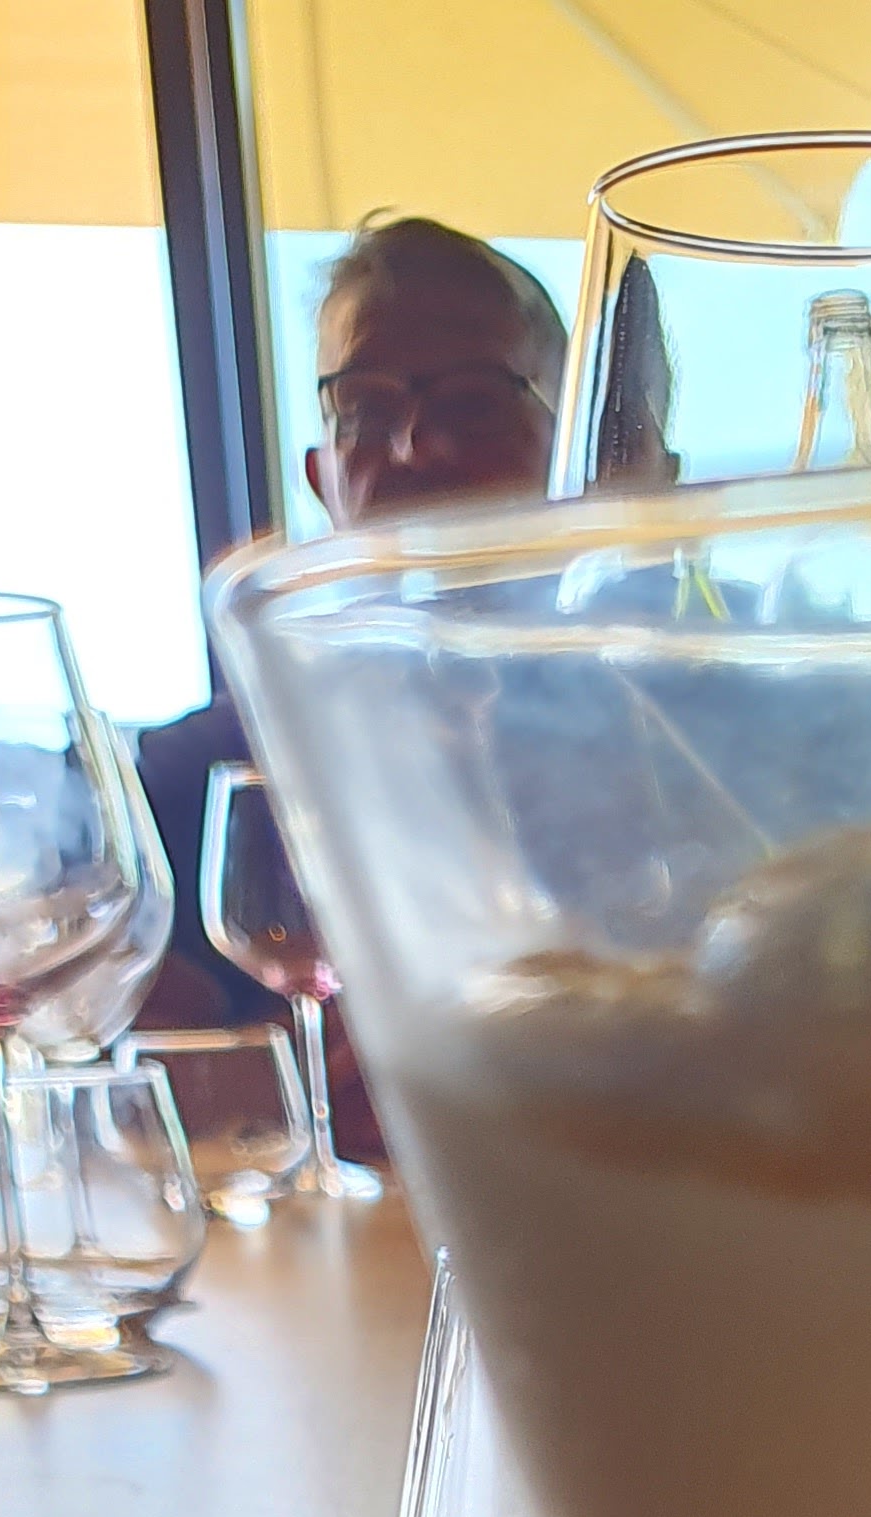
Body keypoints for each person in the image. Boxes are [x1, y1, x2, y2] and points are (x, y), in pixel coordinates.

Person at [135, 215, 568, 1038]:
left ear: (574, 451)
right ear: (321, 477)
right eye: (365, 409)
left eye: (475, 403)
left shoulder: (690, 735)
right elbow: (113, 1021)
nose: (415, 448)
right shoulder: (214, 767)